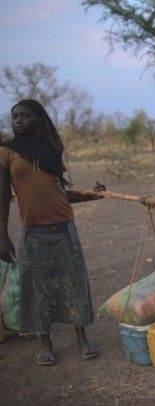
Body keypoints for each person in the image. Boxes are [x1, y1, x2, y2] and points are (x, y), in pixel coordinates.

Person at [0, 99, 104, 366]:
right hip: (33, 231)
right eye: (15, 117)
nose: (18, 120)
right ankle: (45, 343)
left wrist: (93, 195)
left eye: (24, 115)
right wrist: (2, 234)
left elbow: (61, 191)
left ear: (39, 118)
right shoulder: (6, 152)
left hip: (64, 227)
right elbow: (2, 196)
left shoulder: (51, 150)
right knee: (37, 288)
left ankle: (82, 338)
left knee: (74, 283)